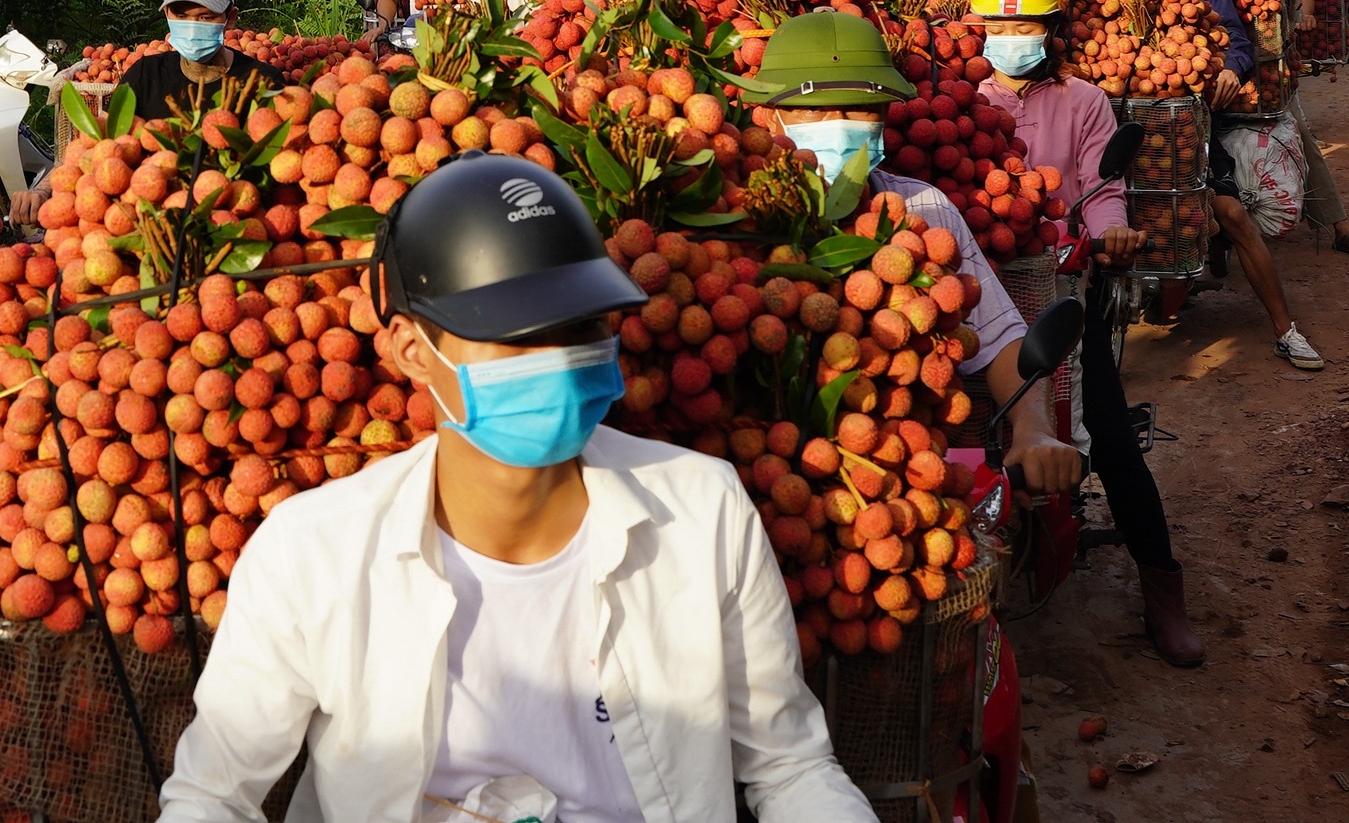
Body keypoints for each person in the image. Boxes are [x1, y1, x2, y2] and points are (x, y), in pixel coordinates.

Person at [158, 155, 872, 823]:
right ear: (412, 350)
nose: (559, 359)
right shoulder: (314, 551)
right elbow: (212, 793)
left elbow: (788, 765)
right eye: (517, 334)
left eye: (582, 325)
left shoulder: (703, 511)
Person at [732, 12, 1081, 495]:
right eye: (812, 111)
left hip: (906, 468)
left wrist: (1033, 428)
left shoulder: (924, 209)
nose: (839, 126)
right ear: (769, 116)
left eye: (860, 108)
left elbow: (1000, 336)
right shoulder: (740, 223)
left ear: (885, 115)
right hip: (766, 467)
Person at [968, 0, 1204, 666]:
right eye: (998, 25)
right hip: (973, 295)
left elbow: (1103, 188)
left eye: (1025, 25)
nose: (1011, 36)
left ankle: (1163, 590)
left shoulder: (1084, 101)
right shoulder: (960, 97)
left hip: (1059, 292)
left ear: (1050, 29)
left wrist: (1112, 232)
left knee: (1112, 437)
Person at [1111, 0, 1337, 361]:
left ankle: (1285, 328)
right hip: (1115, 125)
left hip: (1188, 125)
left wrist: (1234, 67)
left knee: (1231, 213)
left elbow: (1235, 35)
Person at [122, 0, 284, 121]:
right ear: (167, 14)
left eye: (206, 17)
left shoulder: (264, 82)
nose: (192, 27)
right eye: (181, 16)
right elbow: (106, 138)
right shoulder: (144, 75)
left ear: (231, 17)